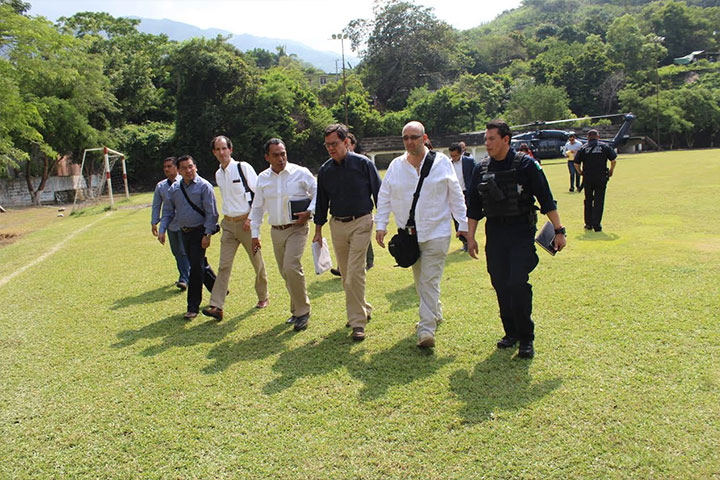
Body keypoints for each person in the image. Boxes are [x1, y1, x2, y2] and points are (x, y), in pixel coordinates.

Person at [466, 120, 566, 358]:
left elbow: (546, 198)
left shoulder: (526, 165)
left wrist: (559, 230)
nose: (487, 143)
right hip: (495, 232)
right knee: (500, 282)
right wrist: (470, 237)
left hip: (521, 230)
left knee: (517, 283)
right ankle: (510, 333)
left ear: (506, 139)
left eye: (492, 139)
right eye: (486, 139)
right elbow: (474, 208)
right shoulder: (480, 169)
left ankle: (526, 337)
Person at [375, 121, 470, 349]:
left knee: (428, 280)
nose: (409, 142)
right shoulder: (396, 166)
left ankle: (426, 329)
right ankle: (435, 312)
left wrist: (463, 223)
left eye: (414, 137)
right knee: (421, 282)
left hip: (437, 231)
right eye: (405, 138)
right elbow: (384, 196)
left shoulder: (441, 162)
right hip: (409, 235)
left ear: (424, 138)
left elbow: (455, 194)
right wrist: (381, 224)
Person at [314, 123, 381, 342]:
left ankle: (357, 322)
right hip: (337, 225)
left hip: (362, 222)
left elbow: (379, 193)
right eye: (327, 145)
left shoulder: (363, 164)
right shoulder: (325, 170)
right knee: (346, 275)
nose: (330, 148)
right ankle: (363, 308)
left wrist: (382, 224)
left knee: (354, 273)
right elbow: (321, 203)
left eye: (334, 144)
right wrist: (317, 230)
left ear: (346, 142)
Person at [250, 138, 316, 331]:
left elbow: (318, 192)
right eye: (276, 155)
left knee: (291, 265)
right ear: (267, 157)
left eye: (283, 154)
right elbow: (257, 208)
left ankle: (303, 311)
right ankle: (296, 310)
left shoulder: (300, 172)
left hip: (298, 228)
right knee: (285, 272)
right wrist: (255, 234)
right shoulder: (263, 178)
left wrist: (309, 211)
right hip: (276, 231)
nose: (281, 158)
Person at [201, 136, 269, 321]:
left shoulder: (242, 167)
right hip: (228, 226)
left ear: (230, 150)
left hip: (247, 224)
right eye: (218, 149)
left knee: (257, 262)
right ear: (214, 152)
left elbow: (260, 195)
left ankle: (263, 296)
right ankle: (217, 306)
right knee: (224, 266)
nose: (221, 152)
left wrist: (251, 219)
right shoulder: (218, 174)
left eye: (224, 148)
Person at [158, 155, 219, 319]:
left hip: (200, 232)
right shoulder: (174, 189)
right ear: (178, 171)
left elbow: (212, 213)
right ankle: (219, 289)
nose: (188, 170)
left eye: (190, 166)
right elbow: (168, 211)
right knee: (199, 263)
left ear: (195, 167)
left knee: (195, 269)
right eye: (184, 168)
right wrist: (162, 229)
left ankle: (193, 307)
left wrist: (207, 234)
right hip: (184, 232)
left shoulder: (204, 186)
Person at [151, 156, 190, 291]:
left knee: (184, 251)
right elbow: (156, 205)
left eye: (169, 166)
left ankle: (184, 278)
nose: (166, 169)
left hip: (186, 223)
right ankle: (186, 275)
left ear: (176, 168)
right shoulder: (161, 186)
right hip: (171, 224)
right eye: (165, 167)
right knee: (176, 251)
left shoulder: (185, 181)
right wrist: (154, 222)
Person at [574, 129, 617, 232]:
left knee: (588, 200)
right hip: (601, 177)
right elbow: (613, 160)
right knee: (599, 200)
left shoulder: (583, 148)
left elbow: (576, 164)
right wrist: (611, 171)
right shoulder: (605, 146)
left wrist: (581, 172)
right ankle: (597, 225)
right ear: (598, 137)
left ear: (588, 137)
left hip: (588, 178)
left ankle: (588, 223)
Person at [448, 142, 476, 252]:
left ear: (461, 153)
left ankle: (470, 238)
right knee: (457, 218)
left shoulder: (469, 162)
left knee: (468, 216)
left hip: (467, 193)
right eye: (452, 156)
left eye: (455, 155)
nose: (453, 158)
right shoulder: (448, 164)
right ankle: (464, 242)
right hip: (454, 194)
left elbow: (475, 176)